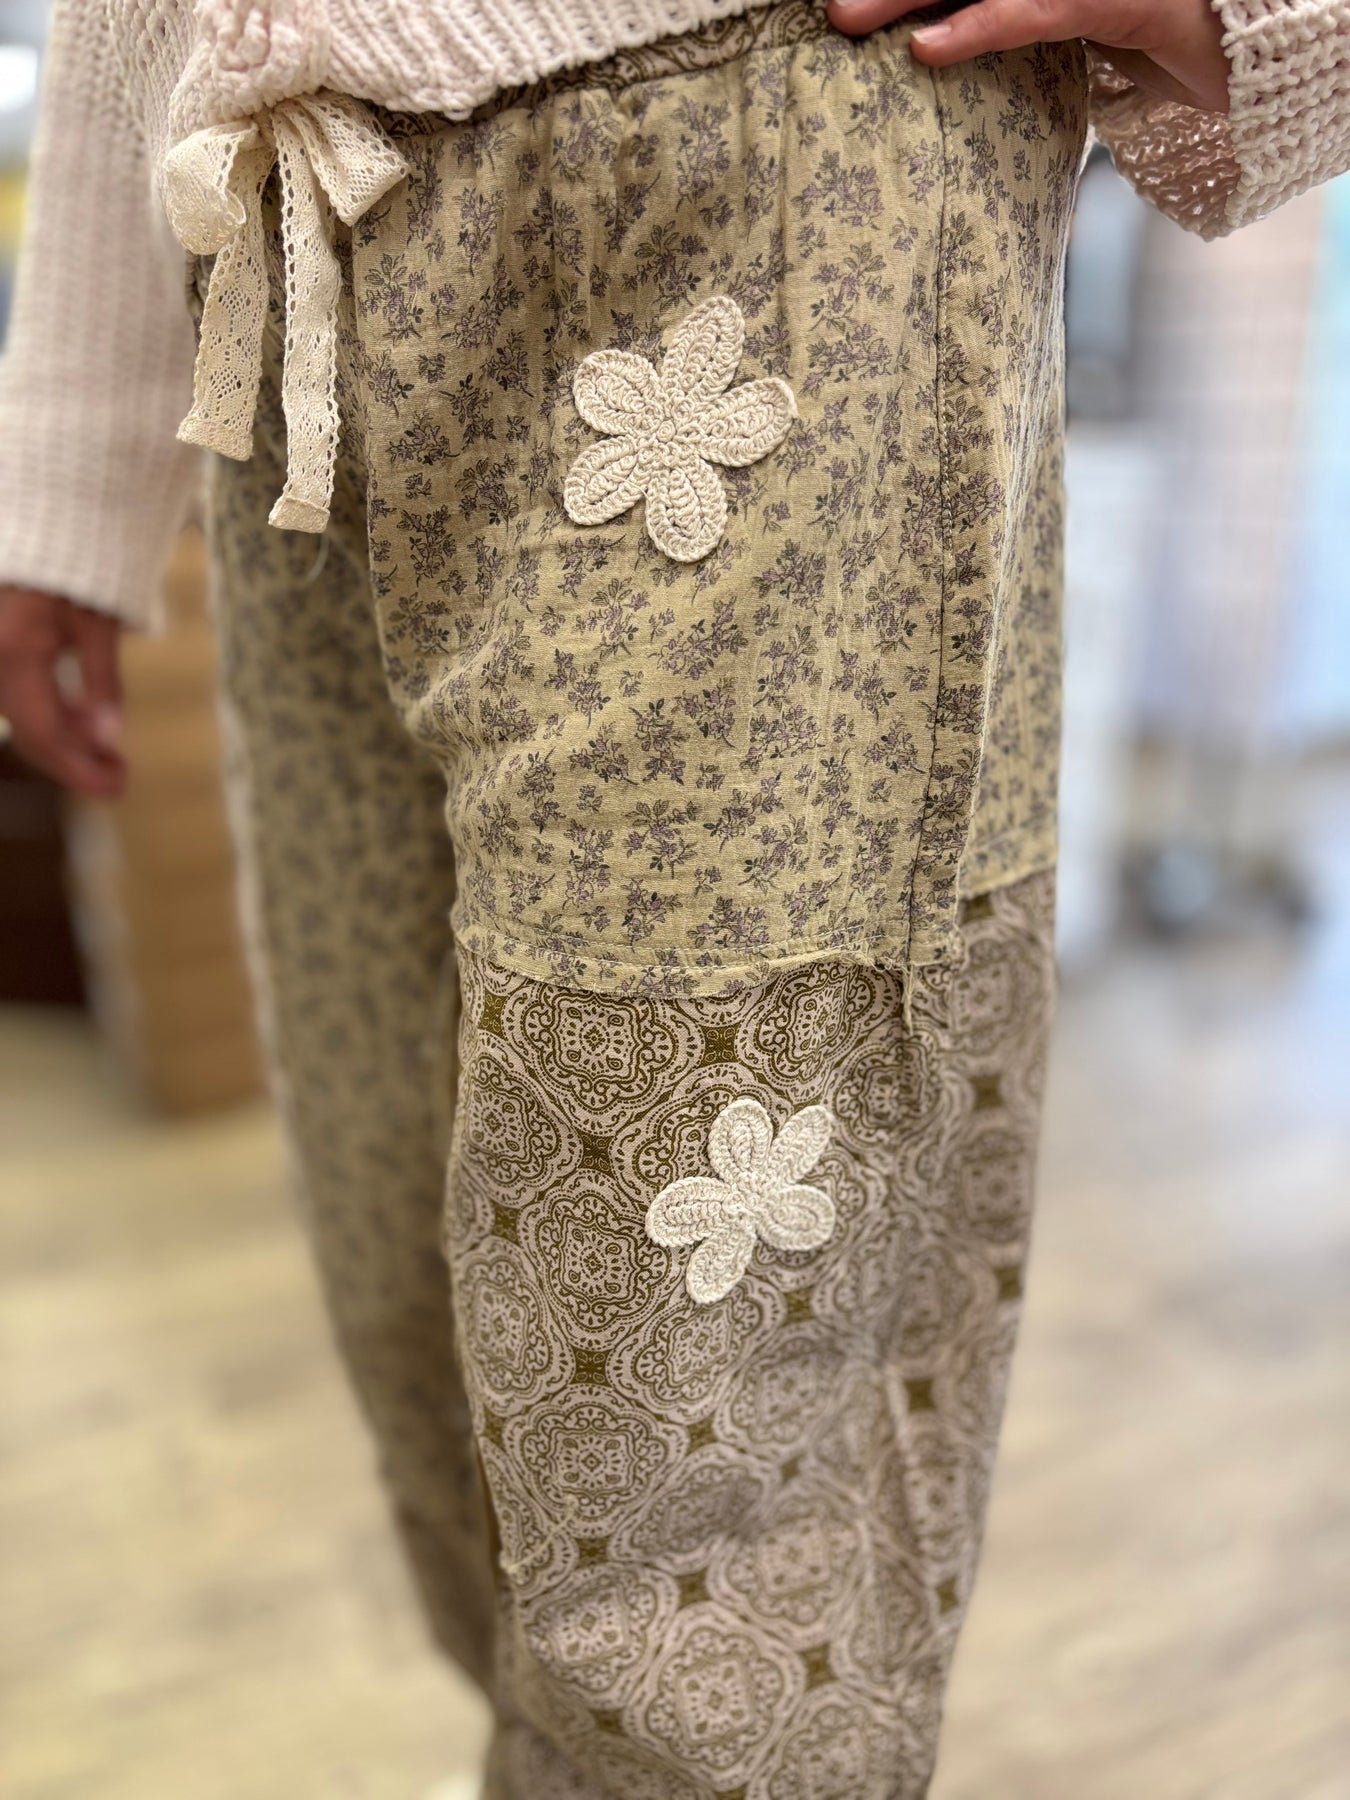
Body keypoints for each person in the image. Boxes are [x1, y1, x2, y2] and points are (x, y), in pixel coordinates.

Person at [0, 2, 1344, 1793]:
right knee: (403, 1230)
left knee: (683, 1403)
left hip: (762, 185)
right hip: (290, 254)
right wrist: (68, 460)